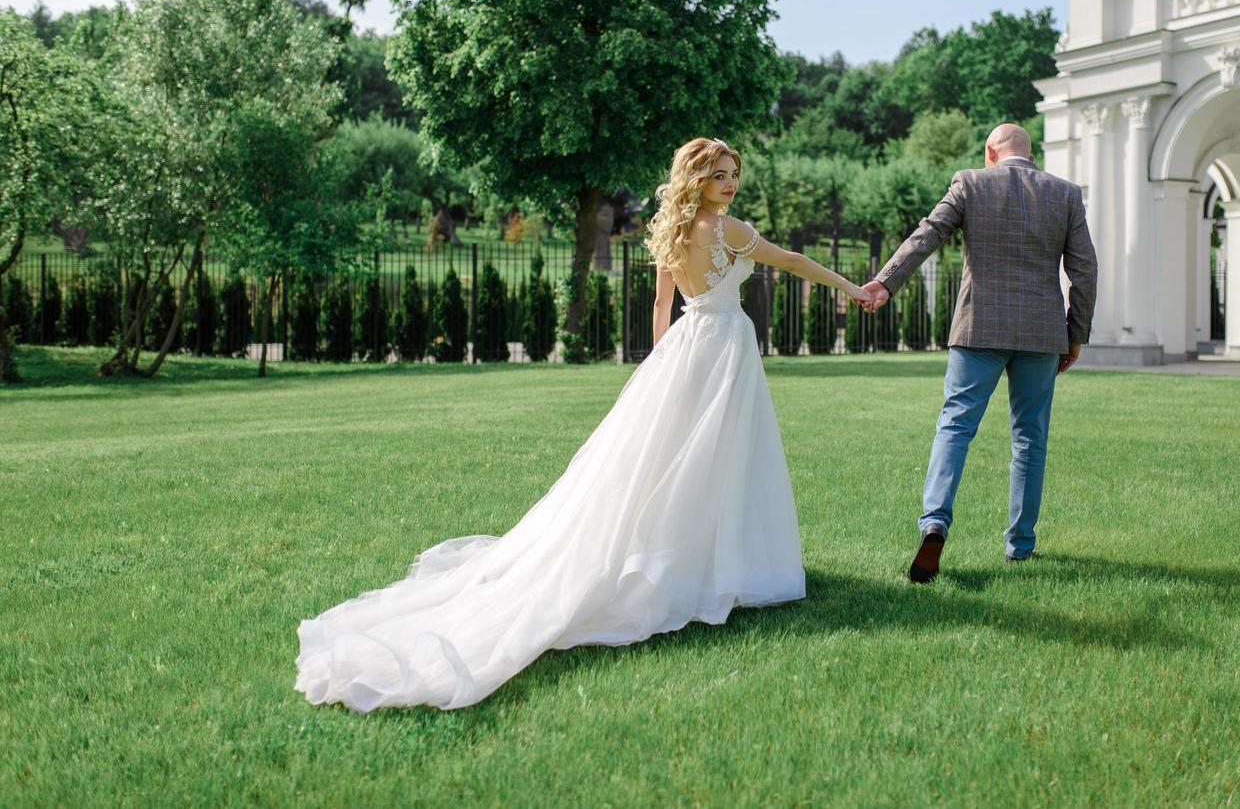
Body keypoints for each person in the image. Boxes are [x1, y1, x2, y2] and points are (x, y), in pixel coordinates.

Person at [294, 137, 872, 713]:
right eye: (719, 174)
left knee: (685, 458)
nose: (730, 183)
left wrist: (661, 364)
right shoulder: (729, 230)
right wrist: (851, 287)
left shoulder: (671, 229)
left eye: (734, 173)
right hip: (720, 344)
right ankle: (705, 564)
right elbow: (792, 262)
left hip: (688, 346)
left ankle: (697, 556)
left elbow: (661, 306)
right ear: (695, 178)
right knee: (716, 457)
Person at [861, 123, 1097, 583]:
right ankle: (1020, 545)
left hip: (979, 328)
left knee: (956, 425)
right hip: (1040, 333)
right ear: (1031, 153)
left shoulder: (969, 182)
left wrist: (885, 282)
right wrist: (1075, 333)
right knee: (1030, 436)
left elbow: (925, 236)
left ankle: (934, 523)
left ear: (991, 151)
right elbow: (1085, 271)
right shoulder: (1066, 194)